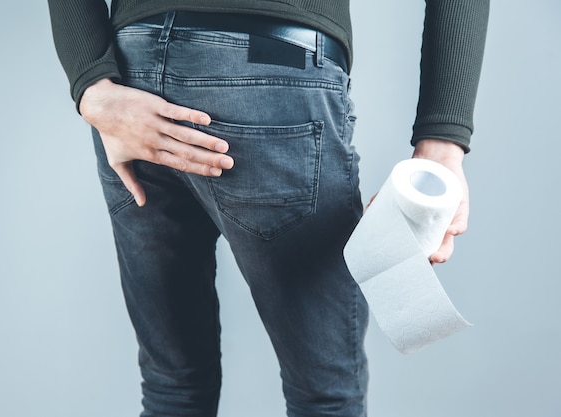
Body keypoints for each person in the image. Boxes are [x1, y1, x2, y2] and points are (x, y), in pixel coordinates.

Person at [47, 1, 489, 416]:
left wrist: (92, 83)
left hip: (131, 80)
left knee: (172, 388)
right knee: (325, 397)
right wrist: (443, 141)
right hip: (270, 61)